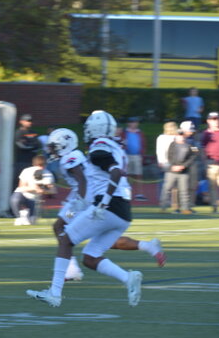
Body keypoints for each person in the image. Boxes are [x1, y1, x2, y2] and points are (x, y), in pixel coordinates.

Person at [26, 110, 144, 308]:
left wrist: (101, 202)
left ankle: (55, 292)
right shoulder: (115, 146)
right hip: (122, 211)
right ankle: (127, 278)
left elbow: (111, 173)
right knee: (90, 257)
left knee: (65, 237)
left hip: (102, 206)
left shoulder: (98, 146)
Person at [44, 127, 166, 283]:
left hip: (83, 200)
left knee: (60, 226)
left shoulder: (70, 157)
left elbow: (82, 181)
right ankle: (147, 246)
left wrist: (78, 203)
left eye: (53, 146)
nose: (51, 150)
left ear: (63, 145)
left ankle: (71, 269)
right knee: (102, 240)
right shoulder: (74, 156)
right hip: (86, 198)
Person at [160, 121, 199, 214]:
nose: (191, 132)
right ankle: (173, 206)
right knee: (171, 188)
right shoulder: (173, 140)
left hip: (186, 168)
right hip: (173, 168)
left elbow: (195, 153)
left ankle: (187, 207)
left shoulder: (191, 141)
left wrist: (184, 165)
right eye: (189, 130)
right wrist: (172, 166)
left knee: (187, 188)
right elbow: (169, 154)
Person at [10, 155, 55, 226]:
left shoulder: (48, 174)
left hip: (35, 199)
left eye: (42, 165)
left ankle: (27, 214)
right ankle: (19, 217)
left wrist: (44, 191)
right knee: (15, 199)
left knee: (31, 222)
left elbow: (52, 190)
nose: (40, 167)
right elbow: (21, 187)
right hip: (23, 194)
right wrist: (34, 188)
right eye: (38, 165)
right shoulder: (27, 171)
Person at [14, 113, 40, 182]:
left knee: (33, 180)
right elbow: (22, 146)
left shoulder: (34, 132)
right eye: (27, 121)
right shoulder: (19, 133)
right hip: (22, 162)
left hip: (33, 161)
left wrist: (29, 144)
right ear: (21, 121)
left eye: (30, 121)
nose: (30, 122)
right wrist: (33, 145)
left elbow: (38, 145)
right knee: (21, 181)